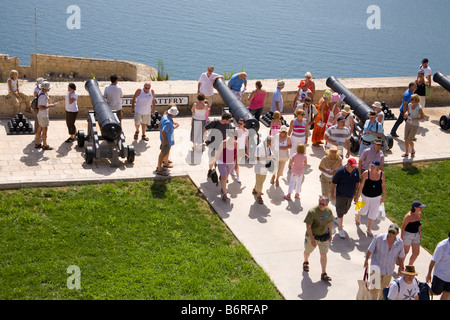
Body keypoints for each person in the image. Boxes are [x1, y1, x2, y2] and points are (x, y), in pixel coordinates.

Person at [364, 224, 405, 300]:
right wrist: (366, 260)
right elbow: (370, 250)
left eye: (393, 233)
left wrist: (401, 267)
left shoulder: (400, 243)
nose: (391, 234)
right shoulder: (379, 238)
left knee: (384, 291)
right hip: (376, 267)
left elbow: (401, 256)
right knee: (374, 290)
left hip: (388, 270)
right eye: (390, 231)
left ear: (397, 233)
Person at [302, 195, 334, 282]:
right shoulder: (312, 212)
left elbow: (330, 223)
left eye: (323, 204)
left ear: (327, 205)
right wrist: (312, 239)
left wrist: (330, 235)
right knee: (307, 251)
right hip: (312, 236)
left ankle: (324, 273)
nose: (321, 205)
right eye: (320, 203)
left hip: (324, 237)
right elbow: (308, 226)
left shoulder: (329, 211)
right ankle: (306, 261)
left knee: (323, 254)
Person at [355, 160, 386, 237]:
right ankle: (358, 214)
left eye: (373, 166)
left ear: (377, 167)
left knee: (373, 213)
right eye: (371, 165)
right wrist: (358, 195)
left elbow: (383, 185)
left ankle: (368, 229)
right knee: (363, 211)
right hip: (366, 196)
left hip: (377, 197)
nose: (371, 167)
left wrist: (384, 196)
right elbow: (361, 185)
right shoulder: (366, 173)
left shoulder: (382, 174)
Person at [330, 158, 360, 238]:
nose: (353, 168)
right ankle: (340, 229)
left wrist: (355, 192)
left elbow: (357, 182)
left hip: (350, 195)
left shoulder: (355, 171)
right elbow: (333, 183)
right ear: (347, 164)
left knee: (345, 210)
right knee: (340, 210)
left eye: (354, 166)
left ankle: (338, 218)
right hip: (341, 195)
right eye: (352, 166)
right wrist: (332, 194)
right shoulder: (340, 172)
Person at [205, 112, 232, 177]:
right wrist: (205, 138)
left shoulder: (227, 124)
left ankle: (221, 174)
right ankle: (210, 170)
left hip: (223, 145)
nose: (229, 121)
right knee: (212, 158)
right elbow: (205, 128)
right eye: (229, 120)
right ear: (225, 119)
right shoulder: (215, 122)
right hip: (213, 144)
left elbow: (228, 133)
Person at [426, 231, 450, 300]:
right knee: (434, 292)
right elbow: (433, 260)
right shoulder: (442, 246)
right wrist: (429, 274)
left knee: (447, 293)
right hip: (440, 276)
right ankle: (419, 295)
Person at [156, 105, 179, 176]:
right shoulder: (169, 122)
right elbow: (164, 131)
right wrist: (165, 140)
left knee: (163, 153)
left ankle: (160, 167)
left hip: (164, 139)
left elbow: (160, 125)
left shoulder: (165, 117)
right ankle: (159, 169)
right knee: (162, 154)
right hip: (167, 140)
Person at [400, 200, 425, 266]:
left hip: (416, 235)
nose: (421, 208)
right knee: (405, 252)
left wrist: (420, 232)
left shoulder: (419, 214)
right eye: (420, 207)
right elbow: (403, 227)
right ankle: (401, 266)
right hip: (407, 235)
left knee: (416, 253)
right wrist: (402, 237)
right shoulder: (408, 216)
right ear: (415, 207)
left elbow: (419, 223)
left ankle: (409, 267)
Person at [216, 130, 238, 201]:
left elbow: (237, 155)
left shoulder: (236, 144)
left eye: (233, 137)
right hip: (222, 162)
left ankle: (223, 188)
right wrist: (215, 162)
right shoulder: (224, 143)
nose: (231, 138)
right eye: (230, 136)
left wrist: (236, 164)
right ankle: (224, 194)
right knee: (224, 177)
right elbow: (218, 153)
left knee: (226, 176)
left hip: (231, 163)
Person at [35, 81, 57, 150]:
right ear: (44, 88)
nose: (49, 89)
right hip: (43, 115)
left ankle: (38, 143)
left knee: (39, 129)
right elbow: (41, 107)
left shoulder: (40, 92)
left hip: (40, 115)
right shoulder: (43, 96)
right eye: (48, 88)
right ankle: (45, 145)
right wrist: (50, 105)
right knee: (44, 131)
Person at [253, 136, 273, 204]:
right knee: (260, 182)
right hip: (260, 167)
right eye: (270, 144)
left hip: (265, 167)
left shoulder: (268, 146)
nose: (271, 145)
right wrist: (266, 158)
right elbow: (256, 158)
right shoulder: (260, 147)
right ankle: (259, 197)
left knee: (261, 180)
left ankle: (255, 189)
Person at [234, 118, 249, 183]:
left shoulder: (246, 131)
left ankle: (237, 176)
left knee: (237, 163)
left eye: (241, 123)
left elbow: (246, 141)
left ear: (244, 124)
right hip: (234, 149)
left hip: (241, 149)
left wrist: (247, 150)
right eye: (238, 123)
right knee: (234, 162)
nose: (239, 124)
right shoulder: (235, 130)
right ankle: (237, 175)